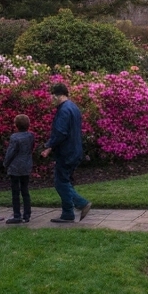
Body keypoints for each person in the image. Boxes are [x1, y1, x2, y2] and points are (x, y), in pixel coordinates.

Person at [41, 83, 91, 223]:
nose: (51, 99)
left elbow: (61, 132)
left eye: (52, 96)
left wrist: (49, 145)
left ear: (58, 95)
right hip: (75, 150)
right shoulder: (73, 107)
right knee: (66, 182)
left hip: (66, 152)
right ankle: (67, 213)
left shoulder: (63, 110)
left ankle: (81, 203)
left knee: (60, 182)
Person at [3, 114, 34, 224]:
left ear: (16, 125)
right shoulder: (31, 136)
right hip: (26, 165)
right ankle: (27, 214)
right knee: (25, 190)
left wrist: (6, 163)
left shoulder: (14, 137)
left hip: (15, 167)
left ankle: (17, 215)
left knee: (15, 192)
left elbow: (11, 152)